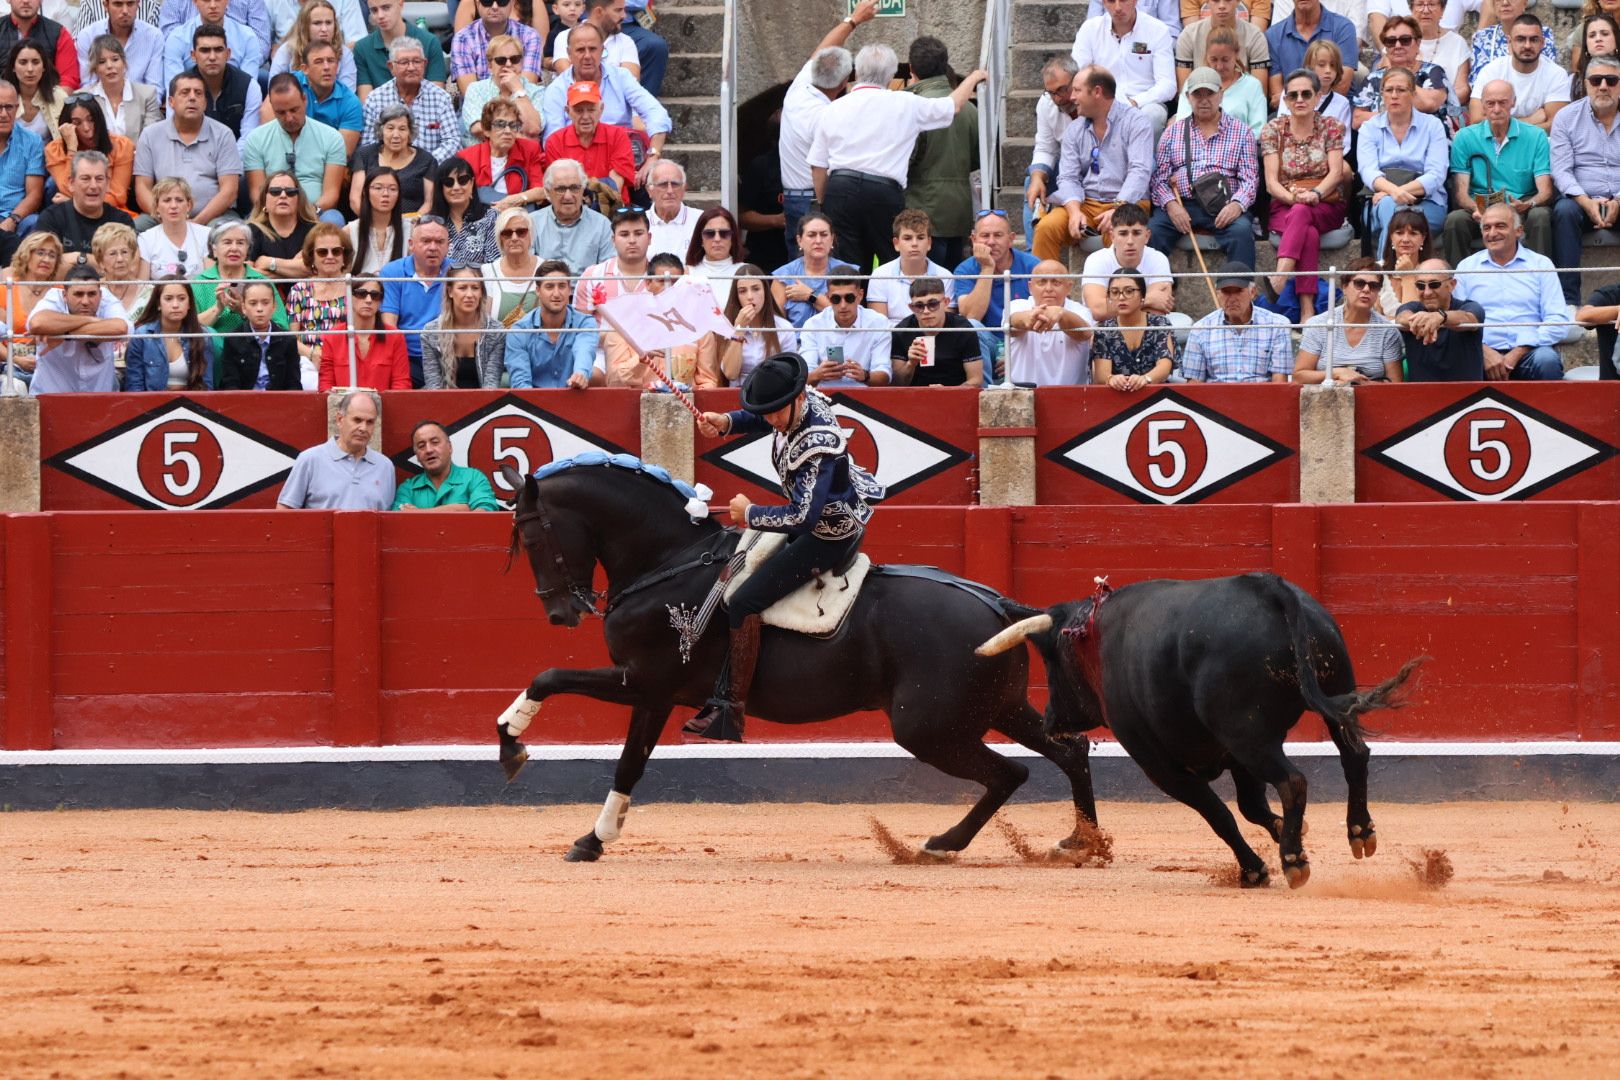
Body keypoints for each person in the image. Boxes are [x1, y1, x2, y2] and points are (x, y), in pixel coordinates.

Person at [689, 352, 886, 742]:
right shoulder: (797, 397)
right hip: (824, 511)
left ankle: (732, 710)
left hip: (829, 532)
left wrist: (752, 513)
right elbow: (763, 414)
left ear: (795, 400)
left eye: (779, 413)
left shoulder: (819, 442)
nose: (773, 420)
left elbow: (804, 518)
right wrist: (727, 422)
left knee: (744, 601)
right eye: (769, 412)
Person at [806, 43, 986, 273]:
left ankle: (852, 307)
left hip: (840, 189)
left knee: (848, 267)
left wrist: (824, 205)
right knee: (892, 264)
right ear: (891, 75)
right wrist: (973, 78)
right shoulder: (905, 103)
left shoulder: (832, 109)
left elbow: (818, 165)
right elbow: (952, 106)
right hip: (883, 191)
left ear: (857, 72)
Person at [1034, 65, 1155, 262]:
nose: (1071, 97)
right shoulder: (1075, 129)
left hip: (1129, 201)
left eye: (1077, 90)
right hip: (1086, 203)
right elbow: (1067, 177)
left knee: (1120, 230)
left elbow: (1140, 172)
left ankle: (1120, 290)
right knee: (1046, 228)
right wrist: (1073, 212)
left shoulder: (1136, 121)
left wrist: (1118, 207)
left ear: (1097, 92)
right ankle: (1042, 288)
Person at [778, 3, 870, 246]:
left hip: (791, 197)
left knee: (799, 265)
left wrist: (853, 19)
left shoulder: (797, 91)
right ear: (842, 84)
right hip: (816, 200)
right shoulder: (830, 116)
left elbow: (823, 50)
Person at [1148, 67, 1260, 268]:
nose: (1204, 99)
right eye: (1197, 94)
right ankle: (1155, 291)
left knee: (1241, 231)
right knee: (1154, 231)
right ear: (1188, 97)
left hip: (1224, 204)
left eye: (1209, 93)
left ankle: (1241, 292)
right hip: (1182, 203)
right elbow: (1159, 179)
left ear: (1221, 95)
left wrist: (1236, 205)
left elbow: (1250, 179)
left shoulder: (1242, 132)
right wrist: (1172, 206)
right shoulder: (1172, 132)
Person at [1262, 67, 1346, 321]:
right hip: (1285, 204)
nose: (1300, 100)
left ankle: (1280, 277)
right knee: (1306, 231)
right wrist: (1294, 198)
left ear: (1317, 97)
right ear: (1285, 100)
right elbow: (1271, 183)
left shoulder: (1331, 126)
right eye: (1293, 95)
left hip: (1325, 202)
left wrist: (1316, 193)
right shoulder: (1273, 129)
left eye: (1306, 94)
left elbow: (1336, 173)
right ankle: (1307, 310)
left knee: (1303, 214)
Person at [1443, 79, 1553, 266]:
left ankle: (1541, 276)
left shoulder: (1536, 136)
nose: (1496, 109)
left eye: (1502, 102)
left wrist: (1527, 204)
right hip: (1480, 205)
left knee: (1540, 216)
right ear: (1482, 107)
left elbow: (1545, 191)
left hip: (1521, 204)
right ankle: (1457, 285)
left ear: (1513, 103)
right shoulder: (1465, 137)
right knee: (1455, 220)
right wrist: (1476, 210)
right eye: (1490, 103)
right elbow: (1461, 194)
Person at [1453, 201, 1567, 379]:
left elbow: (1558, 320)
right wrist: (1484, 352)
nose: (1492, 233)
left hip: (1530, 352)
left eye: (1500, 226)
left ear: (1518, 231)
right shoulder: (1466, 267)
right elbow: (1457, 321)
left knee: (1547, 360)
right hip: (1481, 353)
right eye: (1487, 228)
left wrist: (1519, 352)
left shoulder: (1540, 264)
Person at [538, 20, 668, 162]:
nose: (587, 56)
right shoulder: (556, 89)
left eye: (593, 49)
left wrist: (653, 154)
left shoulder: (621, 77)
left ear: (602, 50)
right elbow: (552, 141)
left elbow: (656, 113)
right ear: (569, 54)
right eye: (580, 50)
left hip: (620, 156)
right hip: (575, 161)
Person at [903, 36, 978, 269]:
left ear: (911, 68)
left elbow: (906, 160)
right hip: (960, 210)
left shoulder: (912, 106)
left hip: (920, 210)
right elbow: (976, 159)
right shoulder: (970, 109)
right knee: (951, 288)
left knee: (923, 288)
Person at [1551, 56, 1620, 306]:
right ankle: (1569, 301)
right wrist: (1584, 201)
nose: (1603, 86)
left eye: (1611, 80)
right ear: (1586, 84)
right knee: (1563, 211)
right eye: (1596, 80)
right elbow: (1561, 170)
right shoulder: (1566, 117)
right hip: (1581, 199)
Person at [1357, 66, 1449, 255]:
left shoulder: (1433, 126)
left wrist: (1395, 193)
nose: (1394, 95)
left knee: (1397, 214)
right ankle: (1392, 275)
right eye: (1389, 90)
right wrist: (1392, 194)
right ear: (1382, 95)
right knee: (1393, 210)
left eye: (1401, 90)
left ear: (1414, 94)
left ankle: (1386, 275)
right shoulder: (1369, 128)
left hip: (1427, 201)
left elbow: (1436, 175)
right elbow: (1368, 171)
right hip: (1381, 203)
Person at [132, 71, 240, 228]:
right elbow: (142, 188)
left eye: (198, 93)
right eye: (185, 92)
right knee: (132, 231)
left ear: (205, 102)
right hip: (160, 217)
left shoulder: (223, 134)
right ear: (171, 101)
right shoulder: (150, 135)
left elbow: (229, 191)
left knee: (230, 233)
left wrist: (196, 223)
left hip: (212, 218)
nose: (192, 97)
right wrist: (166, 219)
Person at [242, 74, 347, 222]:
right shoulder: (256, 139)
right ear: (271, 106)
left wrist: (306, 212)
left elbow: (331, 195)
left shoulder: (332, 137)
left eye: (294, 110)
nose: (289, 118)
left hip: (316, 214)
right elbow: (257, 193)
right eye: (281, 112)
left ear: (305, 100)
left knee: (333, 219)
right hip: (271, 213)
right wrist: (279, 212)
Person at [602, 251, 713, 386]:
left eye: (676, 283)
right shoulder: (624, 323)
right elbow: (613, 382)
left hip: (685, 403)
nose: (669, 289)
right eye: (662, 281)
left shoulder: (700, 326)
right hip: (637, 403)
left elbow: (708, 382)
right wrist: (641, 359)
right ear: (648, 283)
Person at [277, 390, 396, 511]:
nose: (363, 428)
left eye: (370, 422)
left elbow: (388, 518)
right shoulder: (310, 460)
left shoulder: (385, 466)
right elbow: (285, 511)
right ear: (340, 419)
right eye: (357, 420)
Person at [1292, 257, 1406, 383]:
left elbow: (1395, 385)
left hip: (1373, 398)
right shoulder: (1319, 324)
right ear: (1344, 287)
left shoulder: (1387, 331)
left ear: (1378, 292)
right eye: (1359, 283)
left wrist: (1357, 382)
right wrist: (1336, 373)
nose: (1366, 289)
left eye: (1373, 286)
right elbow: (1298, 377)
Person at [1072, 0, 1177, 136]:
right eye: (1111, 1)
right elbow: (1079, 74)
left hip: (1145, 102)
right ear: (1103, 2)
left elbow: (1168, 84)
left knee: (1153, 115)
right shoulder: (1090, 29)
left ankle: (1147, 157)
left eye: (1123, 0)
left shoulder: (1157, 29)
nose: (1118, 8)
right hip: (1102, 99)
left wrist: (1135, 102)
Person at [1180, 259, 1294, 381]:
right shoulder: (1200, 330)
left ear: (1253, 292)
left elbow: (1280, 383)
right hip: (1215, 398)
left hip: (1261, 398)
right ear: (1217, 293)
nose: (1232, 299)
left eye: (1238, 291)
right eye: (1226, 292)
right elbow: (1193, 384)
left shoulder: (1276, 326)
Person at [27, 262, 128, 393]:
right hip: (50, 398)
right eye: (78, 294)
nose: (85, 301)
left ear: (100, 295)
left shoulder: (107, 298)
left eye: (91, 294)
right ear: (64, 295)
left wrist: (64, 334)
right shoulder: (54, 296)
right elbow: (37, 324)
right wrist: (91, 320)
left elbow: (120, 328)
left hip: (99, 400)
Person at [194, 218, 289, 354]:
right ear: (214, 249)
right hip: (212, 356)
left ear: (248, 249)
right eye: (227, 242)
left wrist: (243, 311)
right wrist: (217, 309)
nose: (234, 248)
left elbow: (281, 329)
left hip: (256, 354)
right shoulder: (198, 283)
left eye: (240, 243)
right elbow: (187, 331)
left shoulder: (261, 281)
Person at [359, 36, 461, 163]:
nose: (411, 67)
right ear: (391, 67)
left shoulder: (440, 98)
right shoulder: (375, 99)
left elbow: (453, 142)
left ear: (425, 64)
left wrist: (423, 164)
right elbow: (367, 145)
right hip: (387, 173)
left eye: (417, 61)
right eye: (404, 62)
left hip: (429, 172)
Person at [379, 214, 449, 386]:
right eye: (426, 241)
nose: (433, 247)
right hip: (407, 355)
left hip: (448, 354)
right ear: (411, 245)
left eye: (439, 242)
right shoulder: (392, 272)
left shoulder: (457, 272)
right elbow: (389, 326)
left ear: (448, 246)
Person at [1468, 15, 1569, 133]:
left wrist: (1501, 125)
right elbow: (1476, 121)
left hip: (1537, 146)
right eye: (1520, 39)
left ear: (1542, 43)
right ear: (1509, 42)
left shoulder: (1556, 74)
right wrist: (1530, 120)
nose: (1527, 45)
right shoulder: (1491, 71)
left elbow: (1555, 126)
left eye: (1534, 40)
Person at [506, 258, 596, 388]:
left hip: (573, 399)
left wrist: (580, 374)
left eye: (562, 286)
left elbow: (584, 350)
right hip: (532, 404)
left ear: (570, 290)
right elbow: (521, 385)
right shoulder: (519, 331)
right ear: (538, 291)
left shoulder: (585, 323)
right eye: (549, 287)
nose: (556, 293)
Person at [703, 264, 797, 388]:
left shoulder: (784, 328)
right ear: (736, 296)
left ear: (765, 291)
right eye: (742, 291)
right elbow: (730, 373)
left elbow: (791, 373)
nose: (750, 297)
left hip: (773, 394)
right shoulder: (727, 326)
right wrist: (739, 330)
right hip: (737, 395)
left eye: (756, 289)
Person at [1079, 202, 1175, 321]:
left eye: (1136, 233)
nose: (1130, 241)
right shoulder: (1096, 260)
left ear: (1147, 236)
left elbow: (1159, 308)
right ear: (1112, 236)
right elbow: (1097, 310)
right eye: (1123, 233)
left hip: (1145, 333)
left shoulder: (1158, 259)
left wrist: (1112, 307)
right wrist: (1148, 299)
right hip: (1104, 333)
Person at [953, 208, 1040, 340]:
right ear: (974, 240)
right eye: (985, 235)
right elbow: (971, 317)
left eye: (998, 235)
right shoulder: (964, 270)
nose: (991, 242)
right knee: (971, 326)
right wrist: (987, 268)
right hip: (988, 342)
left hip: (1024, 338)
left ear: (1011, 239)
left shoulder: (1033, 266)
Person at [1395, 257, 1486, 380]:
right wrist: (1421, 321)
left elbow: (1469, 318)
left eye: (1434, 284)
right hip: (1422, 396)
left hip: (1468, 396)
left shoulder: (1470, 306)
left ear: (1451, 285)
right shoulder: (1413, 308)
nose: (1427, 292)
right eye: (1421, 286)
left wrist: (1441, 317)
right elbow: (1401, 317)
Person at [1006, 259, 1094, 386]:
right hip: (1022, 395)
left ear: (1069, 287)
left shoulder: (1081, 311)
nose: (1048, 288)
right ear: (1030, 287)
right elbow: (1014, 322)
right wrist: (1029, 319)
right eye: (1042, 282)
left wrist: (1061, 314)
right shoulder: (1016, 306)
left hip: (1071, 396)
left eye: (1056, 282)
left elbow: (1084, 334)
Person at [544, 78, 633, 202]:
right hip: (571, 208)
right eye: (579, 110)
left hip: (611, 208)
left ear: (601, 109)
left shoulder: (618, 135)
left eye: (591, 109)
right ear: (567, 111)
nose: (585, 117)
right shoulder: (555, 141)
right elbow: (560, 187)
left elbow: (614, 186)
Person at [269, 40, 363, 156]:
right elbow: (268, 115)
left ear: (337, 66)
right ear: (305, 69)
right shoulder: (290, 85)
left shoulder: (351, 103)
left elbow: (343, 154)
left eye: (331, 61)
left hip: (328, 164)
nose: (326, 67)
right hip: (285, 155)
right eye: (318, 62)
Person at [317, 272, 409, 389]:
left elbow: (401, 384)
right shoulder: (333, 336)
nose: (369, 300)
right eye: (361, 294)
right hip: (342, 405)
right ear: (348, 298)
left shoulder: (395, 337)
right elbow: (326, 385)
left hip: (384, 406)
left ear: (380, 301)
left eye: (375, 295)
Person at [799, 273, 892, 387]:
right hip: (822, 397)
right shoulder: (813, 325)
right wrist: (818, 374)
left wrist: (865, 375)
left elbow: (885, 375)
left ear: (860, 295)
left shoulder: (878, 323)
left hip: (864, 396)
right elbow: (803, 378)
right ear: (828, 297)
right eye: (836, 299)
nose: (843, 305)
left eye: (849, 298)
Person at [1089, 268, 1176, 390]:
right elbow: (1101, 375)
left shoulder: (1160, 323)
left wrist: (1146, 379)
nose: (1121, 297)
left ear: (1143, 295)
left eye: (1129, 291)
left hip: (1155, 395)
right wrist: (1111, 379)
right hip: (1116, 395)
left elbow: (1164, 366)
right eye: (1114, 292)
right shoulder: (1103, 329)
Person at [36, 150, 132, 259]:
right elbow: (45, 266)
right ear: (71, 184)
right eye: (85, 179)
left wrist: (77, 258)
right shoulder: (51, 218)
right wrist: (104, 262)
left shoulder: (122, 222)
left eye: (99, 179)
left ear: (108, 184)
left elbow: (129, 267)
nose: (93, 186)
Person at [125, 275, 215, 390]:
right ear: (158, 304)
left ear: (189, 304)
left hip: (191, 406)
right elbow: (134, 386)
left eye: (182, 298)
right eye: (168, 299)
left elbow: (206, 386)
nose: (175, 305)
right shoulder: (142, 335)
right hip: (151, 405)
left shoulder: (202, 336)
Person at [45, 98, 134, 215]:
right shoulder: (55, 149)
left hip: (111, 214)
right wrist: (72, 148)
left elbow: (118, 197)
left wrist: (72, 202)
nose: (87, 129)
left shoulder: (122, 145)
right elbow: (67, 188)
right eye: (77, 123)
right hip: (72, 216)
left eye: (91, 120)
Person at [891, 276, 982, 388]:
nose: (926, 311)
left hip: (955, 397)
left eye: (933, 304)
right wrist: (911, 364)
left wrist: (947, 392)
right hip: (914, 397)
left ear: (946, 302)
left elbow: (976, 380)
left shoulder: (962, 328)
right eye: (919, 306)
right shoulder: (902, 331)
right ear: (911, 307)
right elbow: (896, 384)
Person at [286, 222, 351, 380]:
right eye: (322, 252)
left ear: (344, 256)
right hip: (309, 362)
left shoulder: (355, 288)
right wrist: (313, 354)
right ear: (311, 257)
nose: (330, 256)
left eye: (336, 251)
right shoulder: (298, 290)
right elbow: (291, 338)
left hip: (348, 360)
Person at [1176, 26, 1269, 134]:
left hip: (1239, 148)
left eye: (1225, 60)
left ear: (1236, 55)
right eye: (1214, 59)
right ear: (1206, 55)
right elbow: (1182, 124)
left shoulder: (1252, 85)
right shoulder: (1192, 83)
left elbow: (1258, 129)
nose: (1219, 66)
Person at [457, 98, 545, 209]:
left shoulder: (529, 149)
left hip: (517, 215)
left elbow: (541, 192)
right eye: (500, 124)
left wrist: (518, 199)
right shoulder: (467, 157)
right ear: (486, 130)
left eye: (513, 125)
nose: (507, 131)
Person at [867, 208, 951, 325]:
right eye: (907, 238)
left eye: (920, 237)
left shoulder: (945, 276)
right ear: (896, 244)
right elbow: (879, 327)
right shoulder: (880, 275)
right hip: (892, 341)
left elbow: (947, 324)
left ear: (929, 243)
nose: (914, 244)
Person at [393, 421, 500, 512]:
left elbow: (485, 512)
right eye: (421, 446)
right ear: (416, 455)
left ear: (449, 447)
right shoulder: (407, 488)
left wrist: (420, 513)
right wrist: (464, 508)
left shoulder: (474, 478)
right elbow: (399, 520)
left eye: (435, 442)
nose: (429, 450)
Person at [348, 103, 435, 215]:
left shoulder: (426, 160)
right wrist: (374, 224)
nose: (396, 135)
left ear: (410, 133)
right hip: (370, 224)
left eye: (402, 129)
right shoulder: (364, 155)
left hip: (412, 225)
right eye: (390, 128)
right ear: (381, 131)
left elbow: (429, 203)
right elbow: (355, 200)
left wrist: (409, 222)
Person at [528, 157, 613, 270]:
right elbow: (525, 271)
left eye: (574, 188)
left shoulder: (602, 225)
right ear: (548, 192)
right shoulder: (531, 224)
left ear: (583, 189)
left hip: (588, 287)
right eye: (561, 189)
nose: (568, 196)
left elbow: (608, 274)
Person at [355, 0, 449, 102]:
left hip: (423, 114)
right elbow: (366, 103)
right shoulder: (362, 48)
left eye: (386, 8)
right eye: (374, 10)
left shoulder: (429, 42)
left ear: (401, 4)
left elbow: (436, 98)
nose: (380, 15)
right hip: (380, 115)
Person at [772, 211, 852, 329]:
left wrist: (810, 295)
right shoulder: (783, 276)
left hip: (838, 341)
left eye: (824, 234)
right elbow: (776, 325)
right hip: (796, 345)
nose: (818, 241)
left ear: (832, 239)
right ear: (799, 240)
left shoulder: (847, 272)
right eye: (812, 235)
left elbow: (847, 317)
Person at [182, 22, 260, 142]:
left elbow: (249, 139)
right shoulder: (180, 88)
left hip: (236, 158)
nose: (212, 57)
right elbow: (180, 134)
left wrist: (229, 159)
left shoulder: (248, 86)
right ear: (193, 55)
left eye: (218, 50)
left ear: (228, 54)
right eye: (205, 50)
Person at [1265, 0, 1356, 103]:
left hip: (1336, 109)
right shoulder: (1273, 35)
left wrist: (1308, 108)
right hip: (1291, 112)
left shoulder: (1343, 27)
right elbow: (1276, 95)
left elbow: (1342, 85)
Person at [217, 279, 301, 389]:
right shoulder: (233, 339)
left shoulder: (287, 339)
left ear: (274, 306)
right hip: (244, 402)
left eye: (265, 303)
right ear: (243, 307)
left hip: (278, 402)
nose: (259, 309)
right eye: (253, 303)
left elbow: (293, 383)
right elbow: (230, 383)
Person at [0, 229, 59, 384]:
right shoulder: (6, 289)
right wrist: (16, 360)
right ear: (26, 255)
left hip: (53, 366)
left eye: (52, 255)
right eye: (40, 253)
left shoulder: (62, 293)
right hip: (11, 365)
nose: (46, 259)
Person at [461, 32, 545, 139]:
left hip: (523, 155)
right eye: (501, 60)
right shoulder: (476, 89)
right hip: (485, 153)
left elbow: (533, 129)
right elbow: (478, 129)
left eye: (515, 59)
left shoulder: (536, 91)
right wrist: (521, 136)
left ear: (522, 62)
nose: (509, 64)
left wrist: (518, 90)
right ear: (490, 65)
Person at [1178, 0, 1271, 95]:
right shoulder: (1188, 35)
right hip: (1200, 104)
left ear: (1238, 1)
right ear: (1207, 1)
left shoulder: (1255, 36)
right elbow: (1185, 94)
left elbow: (1259, 94)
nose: (1222, 6)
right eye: (1216, 0)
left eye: (1228, 0)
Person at [451, 0, 544, 94]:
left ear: (511, 3)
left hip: (520, 105)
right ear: (478, 4)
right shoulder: (462, 39)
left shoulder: (530, 36)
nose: (495, 6)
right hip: (477, 107)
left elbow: (528, 89)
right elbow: (470, 95)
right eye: (487, 1)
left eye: (501, 1)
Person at [162, 0, 263, 87]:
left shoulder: (247, 37)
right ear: (195, 1)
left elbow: (248, 89)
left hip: (234, 104)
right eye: (206, 0)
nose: (213, 5)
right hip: (190, 104)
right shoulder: (177, 38)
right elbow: (175, 92)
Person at [83, 35, 161, 145]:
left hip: (137, 159)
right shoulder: (83, 98)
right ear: (95, 69)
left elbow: (150, 140)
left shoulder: (147, 95)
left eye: (115, 59)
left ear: (124, 63)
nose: (109, 66)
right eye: (102, 62)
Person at [573, 204, 649, 316]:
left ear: (650, 238)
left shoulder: (664, 277)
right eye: (624, 235)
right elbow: (580, 328)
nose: (632, 240)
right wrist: (606, 334)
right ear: (613, 240)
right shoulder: (592, 276)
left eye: (638, 234)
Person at [77, 0, 165, 97]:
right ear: (106, 6)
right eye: (118, 4)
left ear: (138, 4)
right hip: (99, 106)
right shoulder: (88, 36)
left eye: (130, 3)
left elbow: (154, 88)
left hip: (141, 106)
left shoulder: (154, 36)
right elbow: (89, 85)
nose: (125, 11)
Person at [243, 168, 316, 284]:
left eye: (290, 191)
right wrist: (294, 269)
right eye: (275, 191)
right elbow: (246, 275)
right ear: (264, 200)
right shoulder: (251, 231)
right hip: (264, 299)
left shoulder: (314, 231)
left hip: (306, 298)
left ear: (299, 200)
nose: (283, 195)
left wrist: (269, 263)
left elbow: (315, 269)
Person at [269, 1, 357, 90]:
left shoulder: (344, 53)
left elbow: (348, 93)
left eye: (328, 23)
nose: (324, 29)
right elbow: (274, 91)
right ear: (305, 26)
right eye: (317, 23)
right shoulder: (287, 50)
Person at [429, 155, 499, 268]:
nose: (456, 187)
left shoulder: (491, 217)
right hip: (439, 284)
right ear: (440, 188)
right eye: (448, 182)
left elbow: (494, 264)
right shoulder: (431, 223)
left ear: (471, 183)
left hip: (480, 283)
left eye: (463, 180)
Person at [0, 79, 43, 261]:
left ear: (17, 108)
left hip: (15, 218)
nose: (3, 114)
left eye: (9, 107)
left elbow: (34, 194)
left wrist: (12, 220)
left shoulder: (32, 141)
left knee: (34, 223)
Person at [549, 0, 639, 81]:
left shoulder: (626, 42)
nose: (624, 15)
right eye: (618, 10)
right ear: (599, 12)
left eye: (624, 10)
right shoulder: (565, 37)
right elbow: (570, 79)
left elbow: (630, 84)